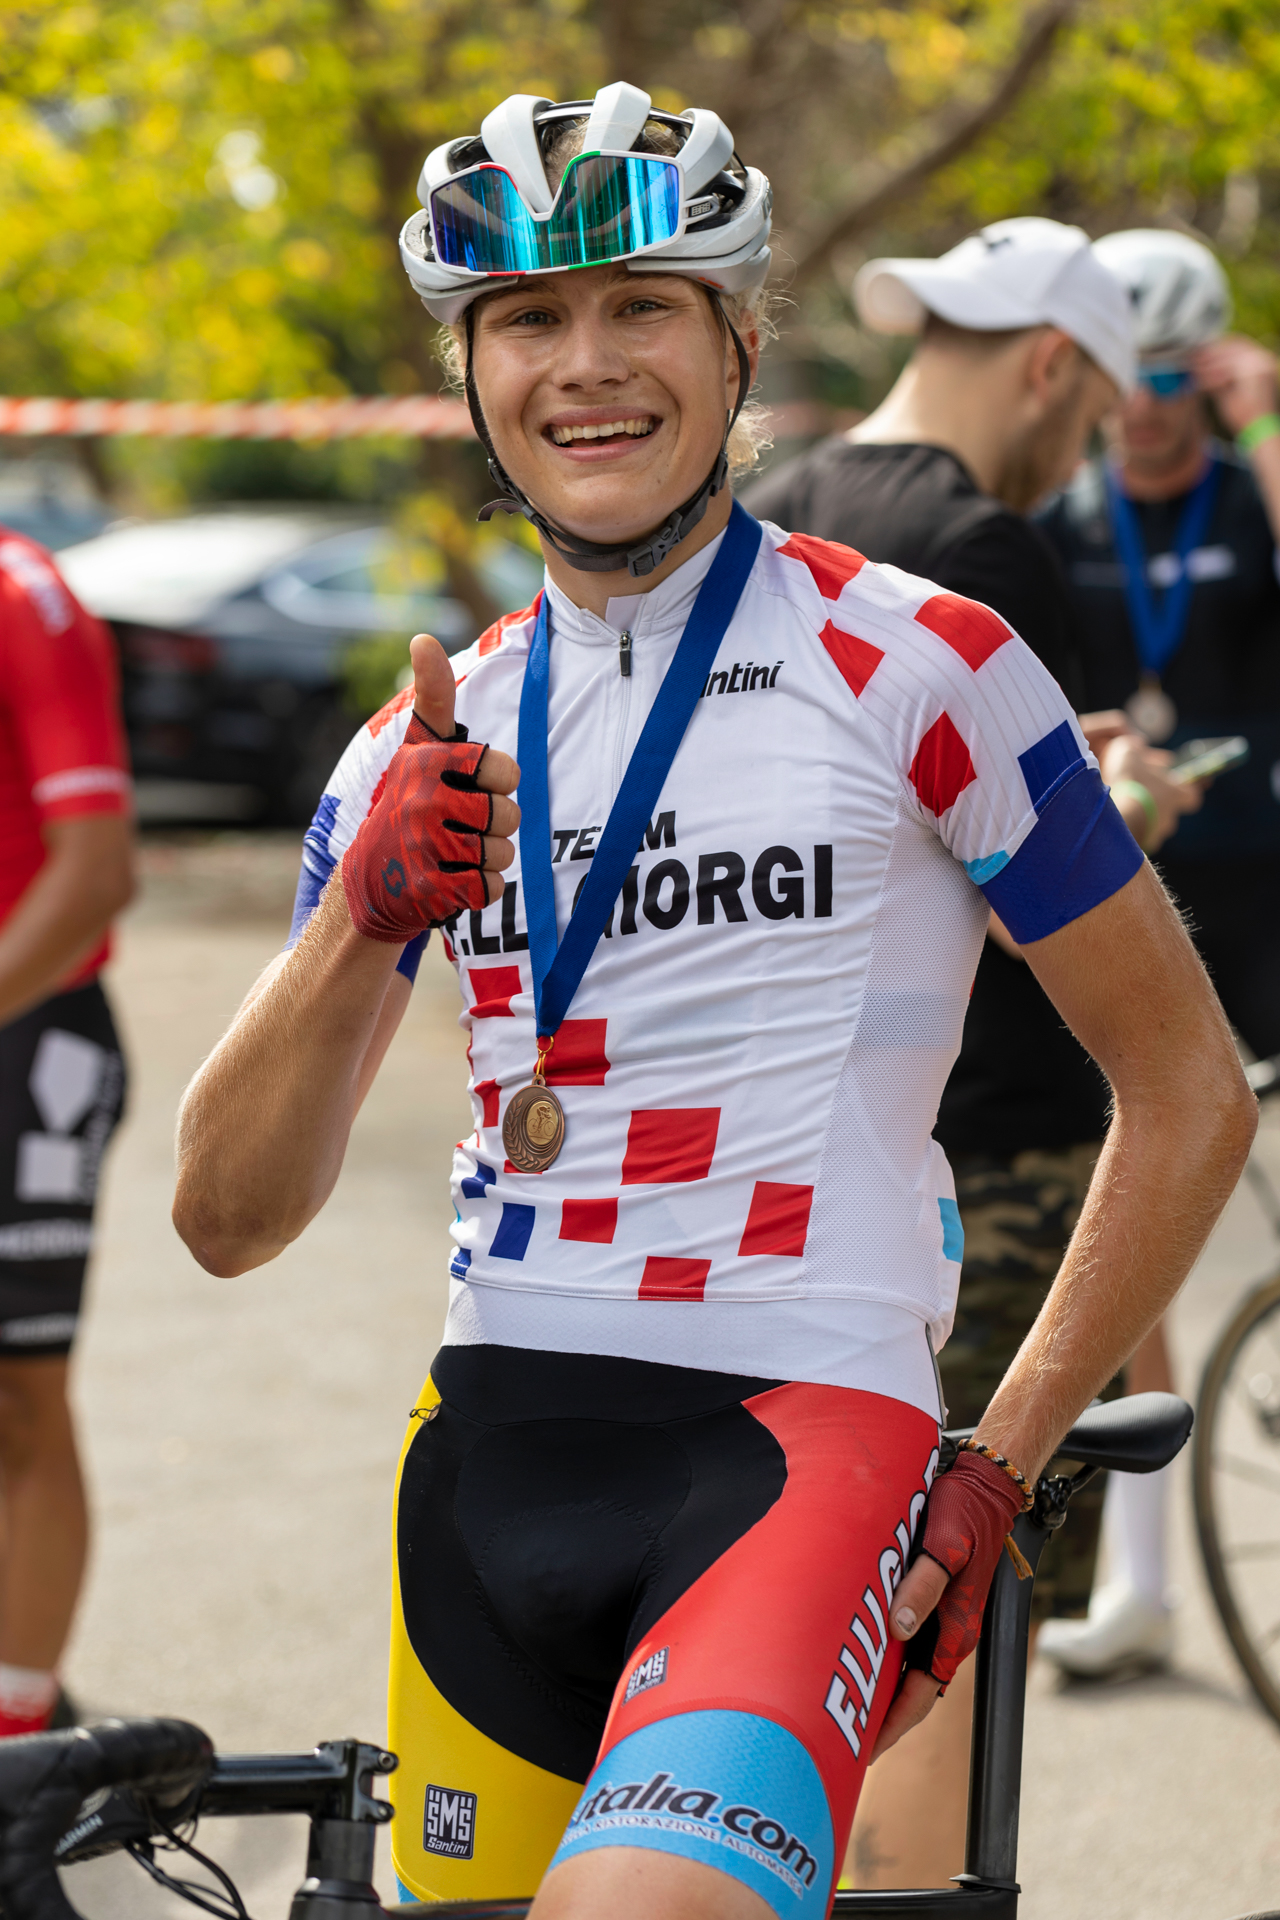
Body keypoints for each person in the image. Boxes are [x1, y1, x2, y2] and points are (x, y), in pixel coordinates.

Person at [173, 88, 1254, 1920]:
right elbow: (225, 1219)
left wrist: (1000, 1461)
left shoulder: (925, 662)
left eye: (642, 307)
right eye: (528, 317)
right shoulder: (421, 740)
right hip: (490, 1461)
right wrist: (363, 917)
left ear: (740, 341)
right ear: (471, 373)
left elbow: (1190, 1091)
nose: (585, 363)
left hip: (798, 1434)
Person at [743, 217, 1201, 1888]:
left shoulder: (767, 523)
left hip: (798, 1167)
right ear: (1051, 364)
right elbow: (1033, 907)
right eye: (1090, 412)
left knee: (797, 1614)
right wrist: (1125, 811)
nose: (1082, 452)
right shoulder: (984, 549)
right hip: (988, 1158)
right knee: (938, 1624)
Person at [1035, 228, 1280, 1679]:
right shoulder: (1063, 518)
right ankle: (1140, 1585)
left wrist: (1263, 424)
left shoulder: (1248, 492)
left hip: (1266, 885)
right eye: (1127, 378)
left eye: (1176, 380)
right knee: (1124, 1206)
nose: (1144, 409)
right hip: (1134, 889)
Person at [0, 529, 133, 1736]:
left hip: (31, 1034)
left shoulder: (23, 593)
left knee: (18, 1399)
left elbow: (95, 873)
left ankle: (19, 1731)